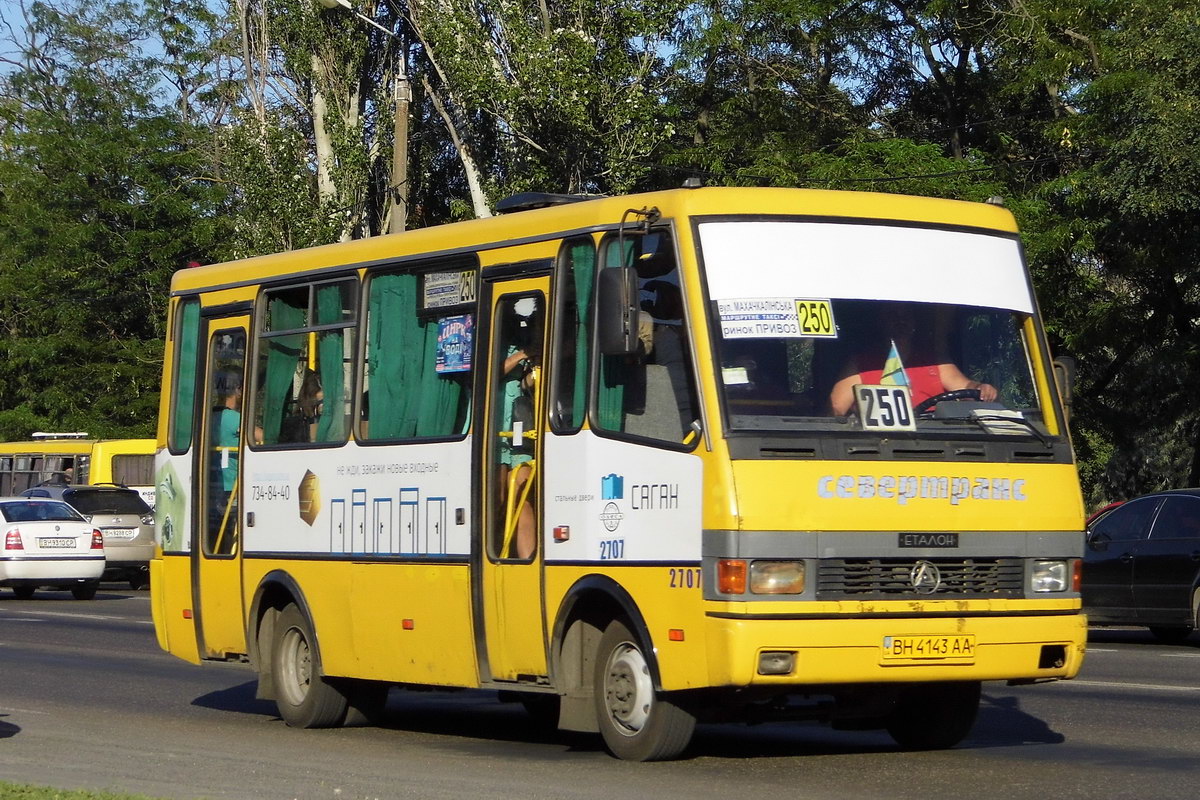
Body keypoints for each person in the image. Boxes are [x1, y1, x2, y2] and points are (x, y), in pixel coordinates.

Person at [829, 302, 997, 416]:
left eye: (905, 315)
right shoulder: (863, 364)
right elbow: (836, 408)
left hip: (936, 441)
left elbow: (966, 387)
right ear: (880, 321)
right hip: (880, 445)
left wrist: (980, 388)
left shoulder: (933, 360)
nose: (900, 320)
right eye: (893, 315)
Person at [498, 298, 540, 560]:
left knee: (523, 497)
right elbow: (489, 372)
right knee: (499, 499)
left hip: (522, 427)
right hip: (494, 430)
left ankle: (526, 559)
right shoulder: (495, 343)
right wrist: (524, 353)